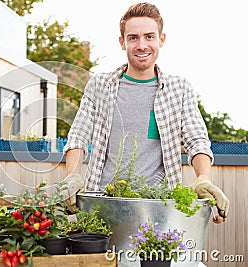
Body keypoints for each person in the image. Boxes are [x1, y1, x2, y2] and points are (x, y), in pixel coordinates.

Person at [60, 2, 229, 224]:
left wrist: (204, 179)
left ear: (162, 39)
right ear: (122, 42)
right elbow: (78, 136)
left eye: (149, 36)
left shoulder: (179, 89)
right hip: (102, 206)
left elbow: (197, 140)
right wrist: (73, 176)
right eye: (133, 38)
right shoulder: (99, 85)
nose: (142, 45)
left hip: (157, 208)